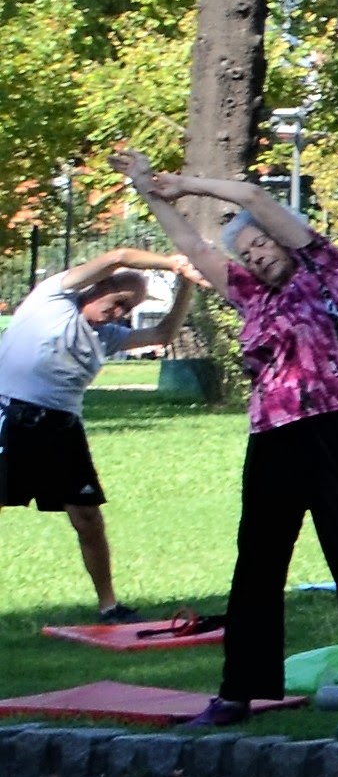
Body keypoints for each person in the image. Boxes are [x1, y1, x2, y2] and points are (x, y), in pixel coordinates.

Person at [120, 151, 338, 722]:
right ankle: (239, 692)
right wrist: (150, 192)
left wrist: (187, 184)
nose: (256, 256)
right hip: (275, 433)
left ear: (281, 240)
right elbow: (198, 252)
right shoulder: (253, 295)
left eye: (261, 246)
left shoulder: (327, 269)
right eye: (247, 254)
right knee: (258, 562)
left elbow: (252, 198)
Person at [2, 239, 206, 621]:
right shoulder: (54, 298)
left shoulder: (107, 337)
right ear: (100, 287)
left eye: (128, 309)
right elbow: (120, 255)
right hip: (10, 415)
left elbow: (161, 336)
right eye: (119, 302)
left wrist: (187, 286)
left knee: (88, 519)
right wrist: (174, 263)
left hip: (62, 428)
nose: (119, 313)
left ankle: (109, 606)